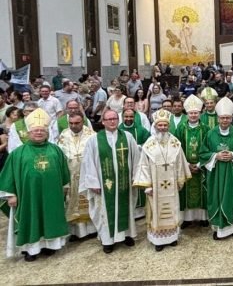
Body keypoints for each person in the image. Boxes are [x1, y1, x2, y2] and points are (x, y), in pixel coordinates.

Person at [0, 108, 70, 261]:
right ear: (29, 133)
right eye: (35, 130)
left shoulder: (56, 150)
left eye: (42, 130)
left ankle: (49, 246)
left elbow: (64, 171)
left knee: (50, 216)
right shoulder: (18, 153)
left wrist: (65, 187)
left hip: (51, 194)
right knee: (31, 218)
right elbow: (8, 175)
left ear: (47, 133)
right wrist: (11, 195)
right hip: (28, 195)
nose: (39, 133)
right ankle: (31, 249)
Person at [79, 109, 139, 253]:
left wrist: (135, 176)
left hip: (125, 184)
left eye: (114, 119)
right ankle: (107, 241)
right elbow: (88, 162)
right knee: (104, 211)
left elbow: (136, 158)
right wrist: (93, 182)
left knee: (127, 207)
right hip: (104, 186)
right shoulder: (94, 140)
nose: (112, 121)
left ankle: (127, 235)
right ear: (103, 121)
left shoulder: (128, 137)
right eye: (109, 119)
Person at [134, 109, 191, 251]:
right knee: (156, 212)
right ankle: (158, 241)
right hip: (155, 187)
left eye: (165, 125)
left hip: (171, 186)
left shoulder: (175, 143)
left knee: (172, 210)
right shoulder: (149, 144)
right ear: (155, 126)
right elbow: (144, 165)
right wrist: (147, 186)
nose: (163, 128)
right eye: (160, 125)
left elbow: (179, 162)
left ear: (168, 126)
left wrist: (179, 180)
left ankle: (172, 238)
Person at [199, 97, 233, 239]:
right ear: (218, 118)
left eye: (227, 118)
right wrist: (215, 156)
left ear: (231, 118)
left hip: (232, 172)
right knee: (217, 197)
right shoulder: (210, 134)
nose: (225, 121)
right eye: (222, 118)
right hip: (216, 173)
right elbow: (203, 152)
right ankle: (218, 227)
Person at [56, 111, 97, 240]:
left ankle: (92, 229)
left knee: (89, 201)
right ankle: (76, 232)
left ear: (83, 121)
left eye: (77, 123)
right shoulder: (63, 135)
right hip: (70, 174)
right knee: (71, 202)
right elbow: (60, 155)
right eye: (71, 123)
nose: (73, 126)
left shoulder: (91, 135)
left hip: (87, 174)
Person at [174, 95, 209, 227]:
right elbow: (177, 148)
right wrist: (187, 165)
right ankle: (187, 219)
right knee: (186, 191)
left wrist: (200, 164)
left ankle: (203, 217)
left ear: (200, 113)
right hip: (185, 165)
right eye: (191, 113)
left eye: (196, 113)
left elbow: (208, 147)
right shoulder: (181, 129)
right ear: (187, 113)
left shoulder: (206, 129)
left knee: (202, 190)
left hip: (201, 166)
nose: (193, 115)